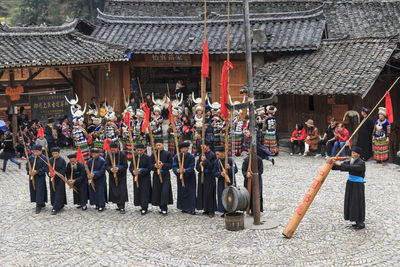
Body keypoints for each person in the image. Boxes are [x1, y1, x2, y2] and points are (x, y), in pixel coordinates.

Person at [330, 146, 366, 230]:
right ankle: (354, 219)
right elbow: (344, 166)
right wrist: (332, 164)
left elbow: (352, 168)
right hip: (350, 184)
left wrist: (341, 164)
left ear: (358, 154)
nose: (352, 154)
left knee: (357, 202)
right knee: (351, 201)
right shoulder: (351, 161)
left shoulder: (361, 163)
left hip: (358, 185)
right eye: (352, 153)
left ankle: (360, 223)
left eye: (354, 153)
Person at [213, 146, 238, 216]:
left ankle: (232, 210)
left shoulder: (230, 160)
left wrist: (229, 168)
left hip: (230, 181)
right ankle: (224, 210)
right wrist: (220, 174)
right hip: (221, 182)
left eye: (218, 154)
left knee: (231, 195)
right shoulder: (217, 161)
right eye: (216, 154)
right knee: (222, 195)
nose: (217, 156)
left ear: (223, 153)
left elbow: (235, 170)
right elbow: (214, 172)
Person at [151, 139, 173, 215]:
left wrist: (163, 165)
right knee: (158, 191)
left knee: (165, 191)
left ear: (163, 145)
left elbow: (170, 165)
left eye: (159, 145)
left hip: (165, 175)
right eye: (157, 145)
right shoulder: (153, 154)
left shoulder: (168, 154)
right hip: (156, 175)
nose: (158, 147)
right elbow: (150, 165)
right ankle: (160, 206)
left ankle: (164, 207)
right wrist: (155, 165)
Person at [172, 142, 196, 215]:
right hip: (181, 176)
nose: (184, 150)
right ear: (180, 149)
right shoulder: (177, 156)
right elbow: (174, 166)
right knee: (182, 191)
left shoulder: (191, 156)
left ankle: (192, 208)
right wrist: (177, 170)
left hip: (190, 176)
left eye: (185, 148)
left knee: (191, 192)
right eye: (182, 148)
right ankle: (184, 207)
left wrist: (186, 170)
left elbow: (192, 166)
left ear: (187, 149)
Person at [105, 142, 129, 214]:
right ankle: (118, 205)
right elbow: (106, 165)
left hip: (121, 175)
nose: (113, 151)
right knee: (115, 190)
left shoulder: (122, 154)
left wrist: (119, 169)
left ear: (117, 148)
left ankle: (122, 206)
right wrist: (110, 169)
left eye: (114, 150)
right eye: (111, 150)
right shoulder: (109, 155)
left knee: (121, 190)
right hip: (112, 175)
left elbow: (125, 165)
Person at [196, 141, 217, 217]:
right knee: (203, 192)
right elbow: (197, 167)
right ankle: (206, 208)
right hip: (202, 175)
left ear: (208, 146)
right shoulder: (201, 155)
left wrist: (206, 161)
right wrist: (200, 165)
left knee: (209, 193)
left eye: (204, 146)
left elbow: (212, 166)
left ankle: (211, 210)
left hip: (209, 176)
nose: (203, 148)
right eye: (201, 147)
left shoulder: (212, 155)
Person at [129, 143, 152, 215]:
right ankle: (140, 204)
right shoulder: (134, 157)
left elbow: (149, 168)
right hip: (137, 177)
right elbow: (131, 167)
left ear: (144, 150)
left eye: (141, 150)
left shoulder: (147, 157)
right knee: (138, 190)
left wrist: (141, 171)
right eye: (138, 150)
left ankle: (144, 207)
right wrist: (133, 171)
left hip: (145, 177)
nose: (139, 152)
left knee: (144, 192)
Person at [26, 145, 49, 214]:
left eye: (37, 152)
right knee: (33, 188)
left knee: (40, 189)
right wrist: (29, 171)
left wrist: (37, 171)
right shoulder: (31, 158)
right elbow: (28, 165)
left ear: (40, 151)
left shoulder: (44, 158)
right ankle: (39, 201)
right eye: (34, 152)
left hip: (40, 176)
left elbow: (45, 167)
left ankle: (39, 204)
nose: (35, 153)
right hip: (32, 176)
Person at [87, 148, 107, 212]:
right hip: (92, 178)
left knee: (100, 191)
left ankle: (101, 205)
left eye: (95, 154)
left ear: (98, 154)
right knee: (94, 190)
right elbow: (87, 169)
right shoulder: (90, 161)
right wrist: (89, 174)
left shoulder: (102, 160)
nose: (93, 155)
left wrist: (95, 175)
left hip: (100, 178)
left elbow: (103, 170)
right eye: (92, 154)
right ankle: (96, 203)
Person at [48, 147, 67, 215]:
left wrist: (55, 175)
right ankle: (55, 204)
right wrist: (49, 173)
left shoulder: (62, 160)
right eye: (53, 154)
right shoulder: (50, 160)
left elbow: (63, 170)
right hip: (52, 180)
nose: (54, 155)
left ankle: (56, 207)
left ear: (58, 153)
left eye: (56, 153)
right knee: (53, 192)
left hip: (60, 180)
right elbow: (48, 168)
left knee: (59, 193)